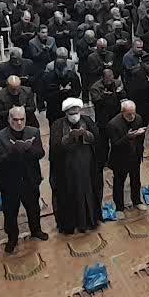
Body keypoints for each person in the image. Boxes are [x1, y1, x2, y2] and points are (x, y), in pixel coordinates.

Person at [0, 106, 47, 252]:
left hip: (30, 179)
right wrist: (14, 150)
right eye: (15, 120)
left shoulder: (33, 132)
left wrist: (28, 148)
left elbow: (40, 153)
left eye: (22, 119)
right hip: (10, 182)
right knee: (10, 212)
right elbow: (0, 160)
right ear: (9, 119)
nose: (19, 123)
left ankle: (36, 230)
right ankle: (12, 238)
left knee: (33, 208)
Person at [49, 98, 102, 234]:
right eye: (71, 114)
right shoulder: (58, 125)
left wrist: (85, 134)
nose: (74, 116)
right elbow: (55, 147)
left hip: (87, 166)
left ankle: (89, 220)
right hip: (68, 168)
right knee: (70, 194)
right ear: (66, 113)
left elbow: (96, 138)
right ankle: (72, 223)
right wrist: (69, 137)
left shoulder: (87, 120)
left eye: (76, 113)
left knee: (88, 192)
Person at [106, 100, 147, 210]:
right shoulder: (113, 124)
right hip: (120, 159)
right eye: (129, 114)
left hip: (135, 156)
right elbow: (115, 144)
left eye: (133, 113)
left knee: (136, 180)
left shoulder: (138, 118)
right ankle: (119, 207)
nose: (132, 116)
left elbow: (140, 139)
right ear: (122, 112)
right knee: (119, 184)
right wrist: (127, 137)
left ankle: (137, 201)